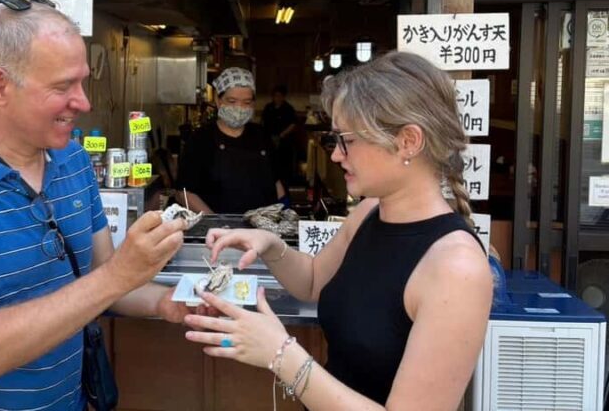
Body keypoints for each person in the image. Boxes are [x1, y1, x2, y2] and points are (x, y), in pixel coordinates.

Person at [0, 0, 192, 410]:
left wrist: (164, 301)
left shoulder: (74, 161)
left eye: (82, 81)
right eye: (63, 86)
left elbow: (99, 278)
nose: (83, 102)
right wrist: (121, 274)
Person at [184, 51, 492, 410]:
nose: (335, 155)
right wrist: (269, 245)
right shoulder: (369, 212)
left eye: (347, 140)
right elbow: (313, 281)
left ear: (408, 141)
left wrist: (282, 355)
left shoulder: (456, 269)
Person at [177, 67, 285, 214]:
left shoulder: (261, 135)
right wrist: (215, 224)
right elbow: (184, 192)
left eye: (246, 102)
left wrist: (283, 213)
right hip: (217, 231)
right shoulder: (201, 139)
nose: (239, 108)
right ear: (218, 100)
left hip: (261, 231)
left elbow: (277, 183)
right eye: (232, 101)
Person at [262, 84, 298, 186]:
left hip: (284, 140)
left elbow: (293, 124)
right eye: (275, 96)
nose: (277, 98)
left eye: (280, 96)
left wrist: (283, 134)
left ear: (283, 96)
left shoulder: (288, 108)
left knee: (283, 163)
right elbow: (263, 121)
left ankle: (284, 183)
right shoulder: (268, 107)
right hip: (269, 139)